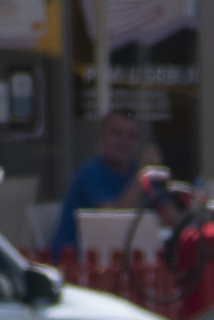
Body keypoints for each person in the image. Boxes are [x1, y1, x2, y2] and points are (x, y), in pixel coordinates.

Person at [53, 110, 154, 257]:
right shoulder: (91, 171)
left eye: (131, 136)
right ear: (101, 139)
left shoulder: (136, 170)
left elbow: (169, 216)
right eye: (116, 134)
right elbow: (112, 222)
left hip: (118, 259)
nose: (124, 141)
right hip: (76, 264)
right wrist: (142, 176)